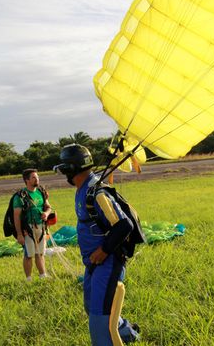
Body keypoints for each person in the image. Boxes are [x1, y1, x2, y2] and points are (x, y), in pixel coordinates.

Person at [54, 144, 140, 345]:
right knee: (91, 305)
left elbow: (124, 225)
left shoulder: (97, 193)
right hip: (94, 263)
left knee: (99, 324)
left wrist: (104, 250)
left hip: (107, 263)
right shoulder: (84, 189)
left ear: (71, 169)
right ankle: (127, 333)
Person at [13, 168, 52, 281]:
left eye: (37, 177)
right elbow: (17, 217)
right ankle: (28, 278)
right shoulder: (20, 196)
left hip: (41, 227)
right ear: (27, 180)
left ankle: (42, 275)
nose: (37, 179)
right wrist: (19, 234)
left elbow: (48, 207)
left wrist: (46, 213)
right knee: (29, 255)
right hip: (27, 229)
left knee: (40, 253)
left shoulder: (41, 192)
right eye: (34, 177)